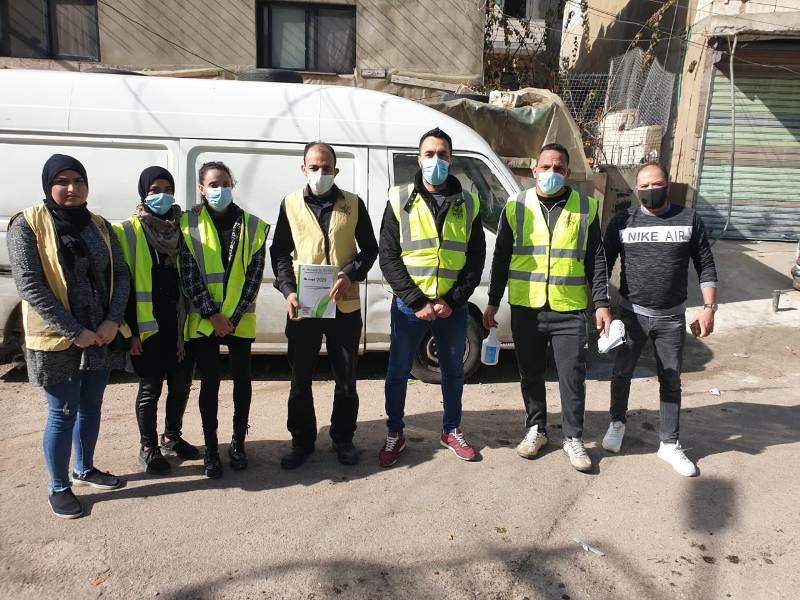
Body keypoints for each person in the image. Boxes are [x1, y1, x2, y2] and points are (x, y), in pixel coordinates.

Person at [7, 154, 130, 518]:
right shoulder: (27, 223)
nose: (72, 188)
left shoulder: (99, 224)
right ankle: (59, 487)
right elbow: (29, 284)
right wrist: (75, 331)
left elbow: (121, 274)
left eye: (78, 180)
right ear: (48, 185)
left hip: (100, 334)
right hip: (57, 338)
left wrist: (112, 321)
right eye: (62, 181)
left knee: (91, 406)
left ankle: (84, 469)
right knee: (62, 413)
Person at [483, 143, 611, 472]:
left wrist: (601, 303)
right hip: (527, 307)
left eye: (559, 168)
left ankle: (573, 437)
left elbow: (596, 259)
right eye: (546, 167)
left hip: (569, 308)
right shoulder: (515, 205)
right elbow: (501, 257)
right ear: (534, 170)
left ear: (567, 173)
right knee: (530, 373)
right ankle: (536, 429)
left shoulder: (585, 207)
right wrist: (493, 301)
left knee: (572, 376)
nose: (552, 172)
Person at [601, 162, 718, 477]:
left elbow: (705, 264)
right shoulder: (622, 220)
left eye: (657, 184)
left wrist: (709, 307)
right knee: (621, 373)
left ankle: (669, 443)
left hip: (671, 319)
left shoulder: (689, 219)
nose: (651, 190)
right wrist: (602, 305)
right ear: (636, 189)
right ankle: (617, 423)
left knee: (670, 380)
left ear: (667, 184)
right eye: (645, 186)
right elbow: (603, 263)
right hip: (632, 315)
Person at [378, 127, 485, 467]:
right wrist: (416, 301)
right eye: (429, 154)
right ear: (418, 159)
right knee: (398, 372)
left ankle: (451, 430)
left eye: (442, 154)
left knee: (453, 372)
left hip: (451, 307)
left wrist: (452, 300)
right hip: (409, 307)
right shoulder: (399, 198)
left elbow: (475, 259)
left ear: (451, 160)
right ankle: (395, 432)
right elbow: (388, 256)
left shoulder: (469, 202)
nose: (436, 160)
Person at [270, 142, 378, 469]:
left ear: (336, 170)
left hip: (344, 307)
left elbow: (369, 250)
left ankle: (343, 440)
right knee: (300, 380)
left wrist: (350, 273)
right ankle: (302, 441)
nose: (320, 173)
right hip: (304, 306)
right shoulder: (290, 203)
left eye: (326, 168)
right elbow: (279, 253)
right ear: (303, 168)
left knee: (346, 380)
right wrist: (288, 290)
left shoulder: (353, 204)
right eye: (314, 167)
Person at [179, 161, 269, 479]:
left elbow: (254, 278)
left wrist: (232, 316)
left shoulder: (254, 227)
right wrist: (213, 315)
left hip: (239, 321)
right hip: (206, 321)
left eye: (225, 184)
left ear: (233, 185)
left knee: (242, 384)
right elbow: (188, 274)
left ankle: (238, 444)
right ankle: (211, 450)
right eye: (213, 185)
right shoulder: (187, 224)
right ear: (201, 189)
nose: (220, 189)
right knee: (210, 385)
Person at [114, 166, 199, 476]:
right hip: (147, 324)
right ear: (143, 193)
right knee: (151, 389)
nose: (162, 195)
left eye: (167, 189)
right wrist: (130, 332)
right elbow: (121, 286)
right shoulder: (127, 231)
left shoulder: (185, 227)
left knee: (181, 385)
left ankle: (171, 437)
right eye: (154, 190)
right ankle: (148, 447)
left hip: (180, 322)